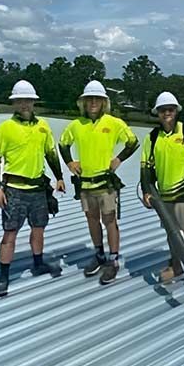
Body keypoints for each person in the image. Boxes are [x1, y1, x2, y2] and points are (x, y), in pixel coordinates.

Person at [0, 80, 66, 297]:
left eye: (28, 101)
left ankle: (38, 263)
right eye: (20, 100)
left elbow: (51, 153)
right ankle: (4, 275)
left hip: (38, 189)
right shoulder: (6, 128)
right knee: (10, 233)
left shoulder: (43, 126)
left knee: (39, 228)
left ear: (34, 102)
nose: (25, 104)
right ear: (14, 103)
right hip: (14, 189)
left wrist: (59, 177)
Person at [58, 80, 139, 285]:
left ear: (104, 102)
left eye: (97, 99)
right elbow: (63, 144)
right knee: (92, 220)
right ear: (83, 103)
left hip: (106, 183)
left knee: (110, 221)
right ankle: (99, 255)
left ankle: (113, 260)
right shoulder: (76, 125)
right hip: (85, 184)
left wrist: (118, 159)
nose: (93, 102)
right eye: (89, 99)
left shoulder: (113, 123)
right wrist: (69, 162)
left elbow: (133, 142)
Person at [141, 91, 184, 295]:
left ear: (175, 111)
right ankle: (177, 266)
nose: (166, 113)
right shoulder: (152, 137)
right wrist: (146, 191)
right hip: (164, 195)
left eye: (170, 109)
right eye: (162, 110)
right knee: (171, 232)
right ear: (157, 113)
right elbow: (146, 167)